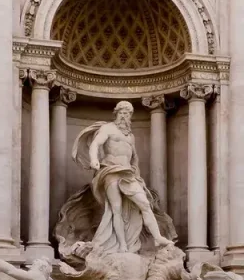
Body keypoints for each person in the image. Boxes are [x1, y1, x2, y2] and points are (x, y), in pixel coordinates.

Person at [72, 100, 173, 254]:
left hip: (128, 174)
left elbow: (135, 158)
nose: (124, 116)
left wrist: (137, 175)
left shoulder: (130, 137)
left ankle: (157, 237)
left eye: (127, 113)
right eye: (121, 112)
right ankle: (122, 245)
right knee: (116, 209)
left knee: (145, 204)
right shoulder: (108, 128)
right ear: (116, 113)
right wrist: (94, 159)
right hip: (110, 171)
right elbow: (95, 144)